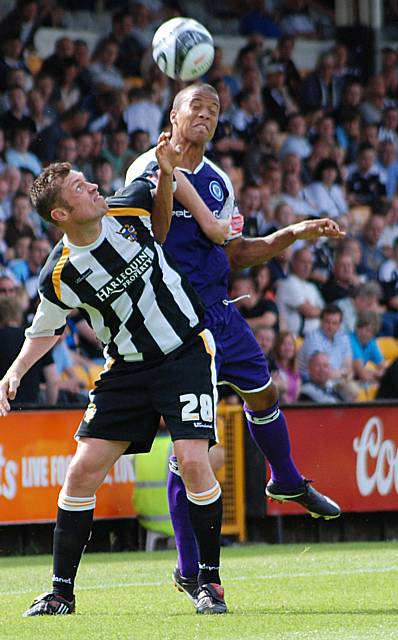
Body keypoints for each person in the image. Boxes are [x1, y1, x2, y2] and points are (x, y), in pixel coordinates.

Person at [125, 83, 343, 605]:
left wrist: (293, 232)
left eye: (214, 110)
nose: (205, 114)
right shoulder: (145, 169)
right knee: (198, 450)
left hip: (221, 310)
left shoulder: (219, 181)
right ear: (172, 117)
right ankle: (190, 570)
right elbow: (142, 240)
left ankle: (285, 479)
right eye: (194, 107)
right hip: (177, 322)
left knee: (264, 394)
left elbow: (237, 250)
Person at [0, 136, 229, 616]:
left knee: (192, 460)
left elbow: (166, 212)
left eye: (87, 180)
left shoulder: (128, 207)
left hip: (183, 351)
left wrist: (167, 172)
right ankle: (61, 592)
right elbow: (45, 328)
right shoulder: (60, 275)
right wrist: (16, 370)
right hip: (126, 368)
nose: (94, 186)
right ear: (61, 215)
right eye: (81, 188)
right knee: (81, 473)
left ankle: (208, 582)